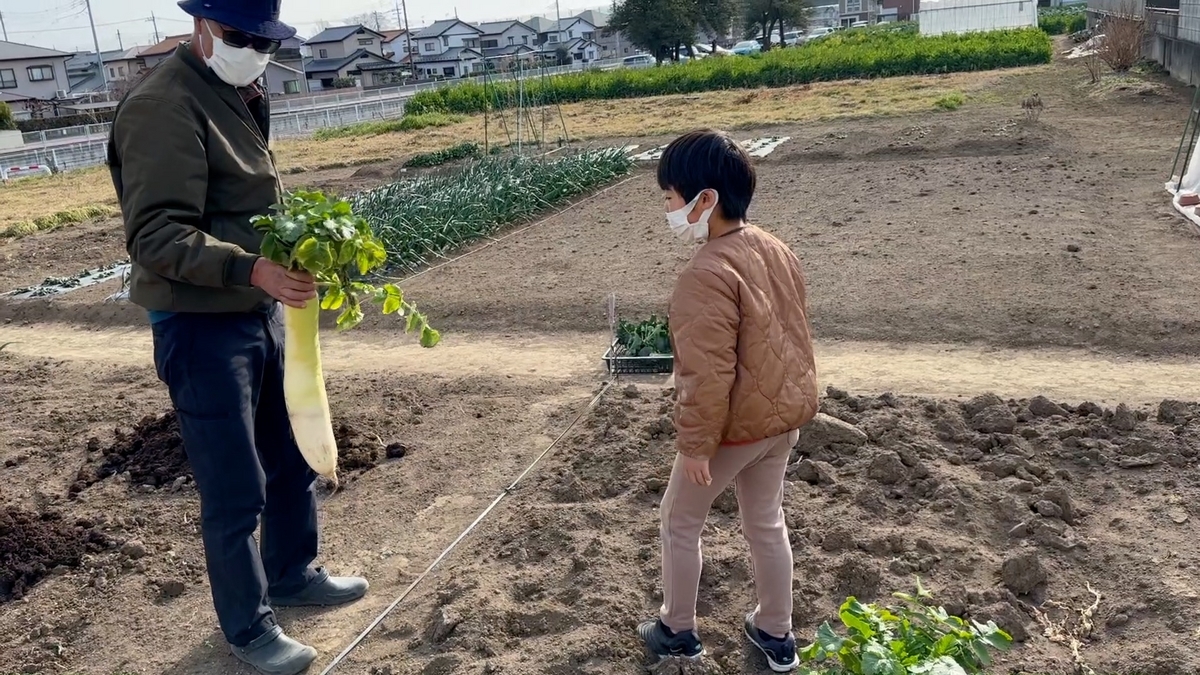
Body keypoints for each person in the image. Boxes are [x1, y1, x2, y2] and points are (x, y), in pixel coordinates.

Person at [106, 1, 368, 673]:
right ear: (202, 26)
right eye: (240, 35)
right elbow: (157, 233)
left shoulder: (236, 90)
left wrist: (282, 257)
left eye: (262, 38)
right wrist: (248, 266)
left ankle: (293, 571)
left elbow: (248, 202)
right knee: (233, 486)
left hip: (253, 305)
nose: (253, 47)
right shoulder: (161, 106)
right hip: (199, 322)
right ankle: (249, 628)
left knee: (288, 452)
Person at [637, 129, 819, 673]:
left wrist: (696, 447)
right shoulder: (775, 248)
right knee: (765, 521)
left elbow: (705, 374)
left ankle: (676, 630)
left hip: (735, 428)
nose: (668, 208)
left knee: (679, 519)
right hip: (781, 419)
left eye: (671, 197)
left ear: (706, 199)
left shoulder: (705, 274)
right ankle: (775, 633)